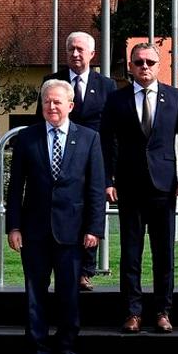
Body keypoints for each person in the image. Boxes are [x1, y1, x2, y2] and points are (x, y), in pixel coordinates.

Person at [8, 79, 107, 354]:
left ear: (70, 106)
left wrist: (94, 228)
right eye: (47, 101)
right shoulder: (27, 137)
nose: (51, 106)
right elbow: (16, 187)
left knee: (69, 295)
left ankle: (66, 351)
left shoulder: (89, 138)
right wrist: (14, 226)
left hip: (73, 232)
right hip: (34, 231)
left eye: (57, 102)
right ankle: (37, 350)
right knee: (35, 295)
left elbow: (95, 188)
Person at [103, 40, 178, 334]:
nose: (144, 67)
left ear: (159, 65)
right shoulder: (116, 100)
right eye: (139, 62)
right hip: (129, 186)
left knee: (163, 253)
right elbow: (107, 143)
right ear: (130, 66)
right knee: (130, 253)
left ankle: (163, 311)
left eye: (150, 62)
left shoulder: (176, 98)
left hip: (163, 188)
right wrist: (107, 180)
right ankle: (132, 312)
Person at [46, 31, 116, 291]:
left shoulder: (107, 86)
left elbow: (111, 135)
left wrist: (109, 177)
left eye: (80, 49)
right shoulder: (52, 82)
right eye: (70, 49)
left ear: (92, 54)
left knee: (91, 213)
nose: (75, 54)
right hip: (60, 160)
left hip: (93, 161)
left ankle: (86, 271)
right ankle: (57, 269)